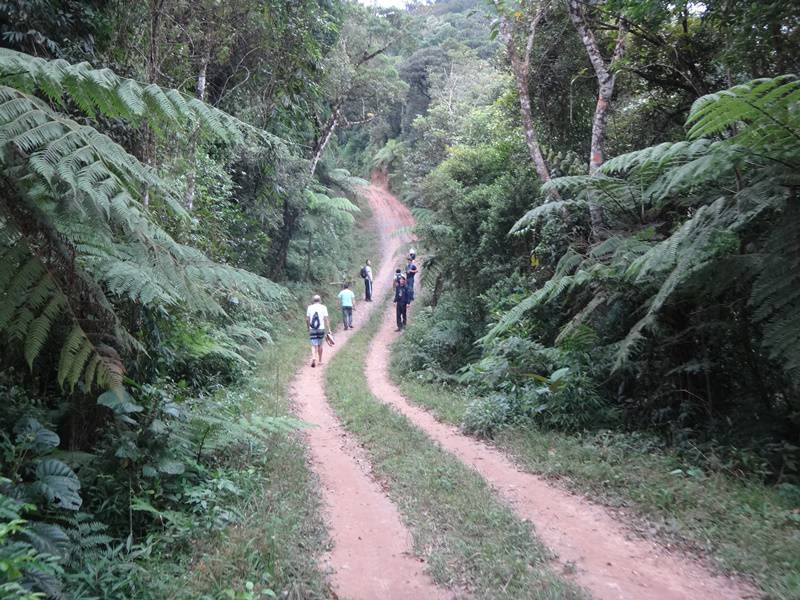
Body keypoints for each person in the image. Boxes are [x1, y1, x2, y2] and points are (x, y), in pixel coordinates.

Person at [306, 294, 330, 368]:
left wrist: (308, 327)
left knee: (313, 345)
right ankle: (320, 360)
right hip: (321, 328)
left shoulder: (309, 307)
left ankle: (313, 357)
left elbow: (307, 319)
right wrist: (328, 329)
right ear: (320, 300)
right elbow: (326, 319)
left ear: (313, 300)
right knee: (320, 345)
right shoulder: (323, 307)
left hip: (312, 329)